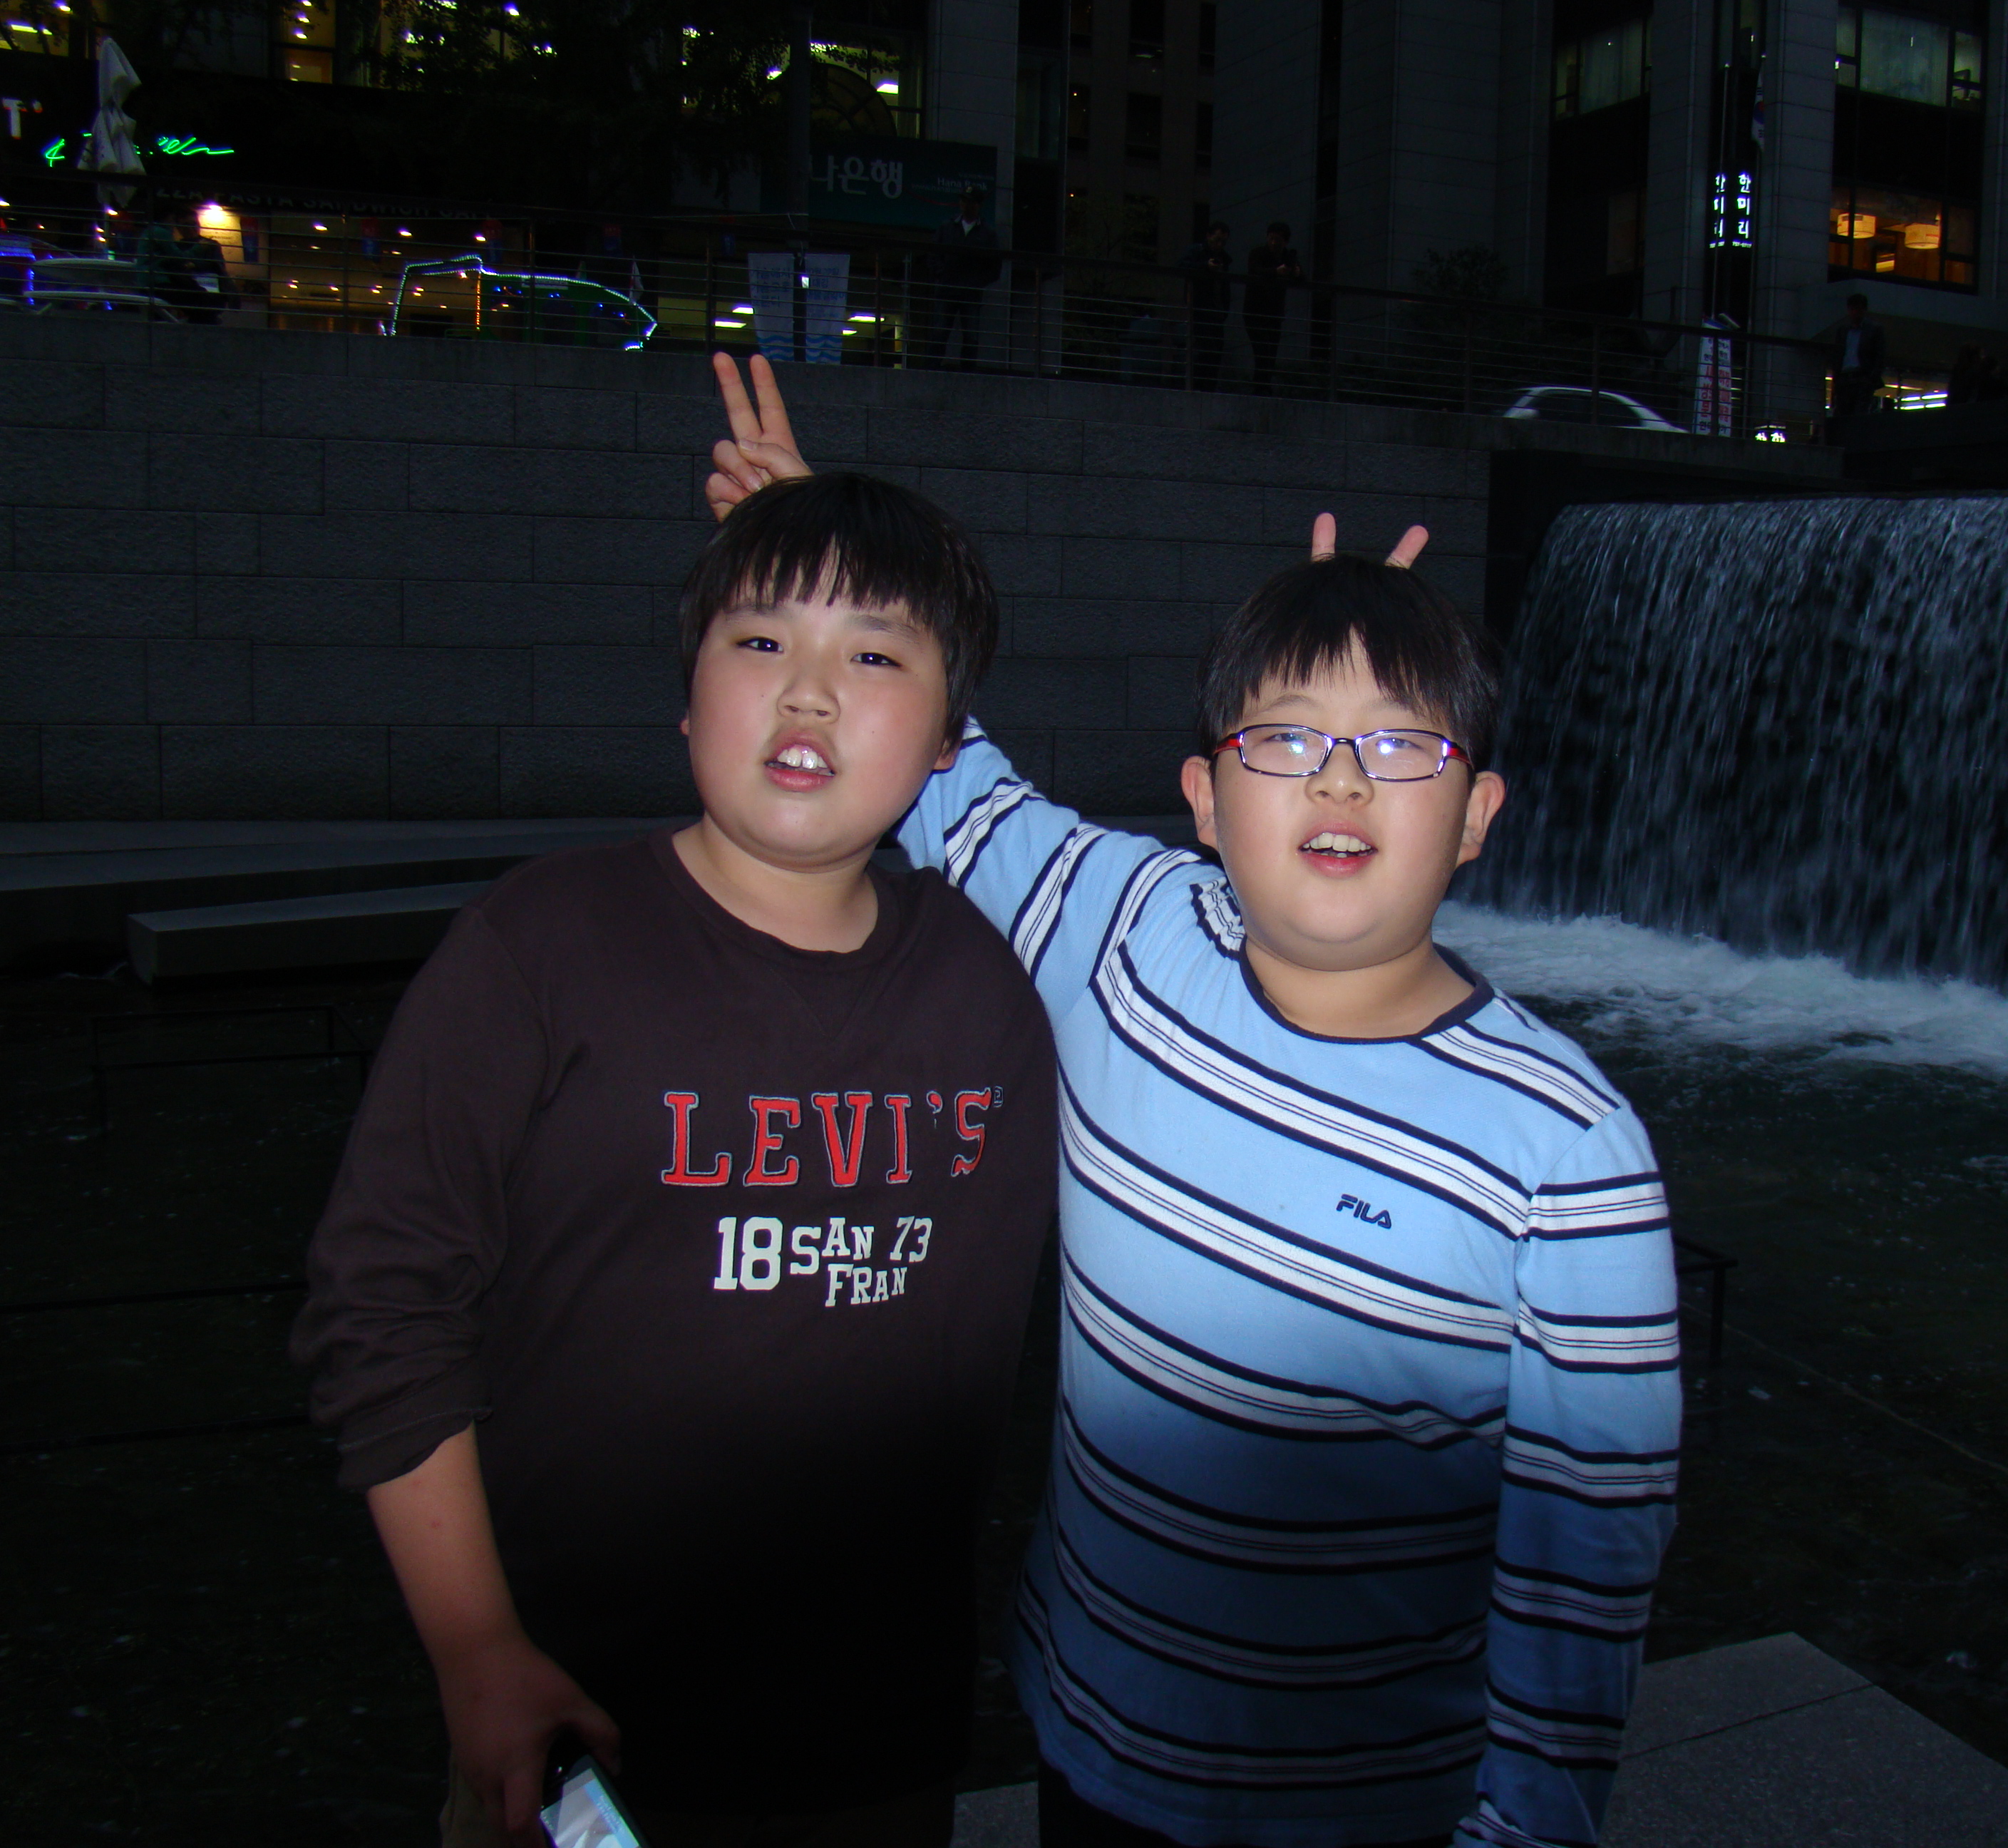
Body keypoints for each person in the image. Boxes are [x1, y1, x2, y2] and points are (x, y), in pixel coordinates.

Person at [706, 398, 1682, 1848]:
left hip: (1372, 1808)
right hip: (1096, 1750)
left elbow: (1587, 1557)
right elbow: (951, 782)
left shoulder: (1568, 1152)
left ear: (1478, 815)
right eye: (1284, 741)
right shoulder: (1125, 931)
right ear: (1205, 800)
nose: (1341, 779)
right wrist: (823, 568)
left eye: (1400, 748)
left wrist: (1529, 1830)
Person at [294, 435, 1061, 1847]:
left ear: (951, 742)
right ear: (688, 695)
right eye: (759, 639)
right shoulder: (537, 949)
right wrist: (476, 1652)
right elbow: (382, 1310)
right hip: (574, 1741)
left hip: (878, 1750)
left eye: (874, 655)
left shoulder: (991, 995)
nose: (808, 689)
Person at [918, 185, 1002, 369]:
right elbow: (933, 255)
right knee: (940, 333)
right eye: (963, 201)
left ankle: (965, 373)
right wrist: (942, 274)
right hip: (948, 289)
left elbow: (995, 266)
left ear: (978, 205)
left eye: (969, 202)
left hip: (968, 291)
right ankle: (933, 369)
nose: (965, 205)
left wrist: (976, 282)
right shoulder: (948, 228)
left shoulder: (987, 234)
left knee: (970, 336)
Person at [1244, 221, 1304, 394]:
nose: (1273, 243)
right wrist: (1275, 272)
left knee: (1270, 354)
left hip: (1274, 313)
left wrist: (1297, 273)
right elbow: (1255, 270)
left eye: (1277, 240)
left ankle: (1263, 388)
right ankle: (1261, 389)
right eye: (1271, 239)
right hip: (1255, 311)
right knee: (1263, 352)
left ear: (1285, 241)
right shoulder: (1258, 253)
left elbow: (1302, 277)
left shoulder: (1287, 256)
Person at [1177, 218, 1233, 391]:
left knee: (1214, 352)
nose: (1219, 245)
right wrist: (1204, 267)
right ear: (1208, 236)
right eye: (1217, 240)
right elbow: (1182, 266)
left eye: (1223, 242)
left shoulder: (1223, 258)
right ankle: (1199, 387)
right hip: (1201, 309)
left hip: (1216, 311)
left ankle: (1206, 388)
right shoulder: (1198, 251)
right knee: (1204, 350)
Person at [1829, 292, 1886, 420]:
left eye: (1858, 310)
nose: (1855, 313)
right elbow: (1838, 356)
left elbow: (1880, 356)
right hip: (1847, 378)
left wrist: (1870, 379)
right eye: (1852, 309)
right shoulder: (1843, 331)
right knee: (1846, 414)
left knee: (1857, 415)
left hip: (1861, 377)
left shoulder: (1873, 330)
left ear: (1864, 310)